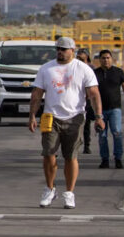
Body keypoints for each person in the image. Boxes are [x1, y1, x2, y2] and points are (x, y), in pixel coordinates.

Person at [29, 37, 103, 210]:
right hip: (50, 117)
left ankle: (69, 193)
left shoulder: (83, 69)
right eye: (58, 49)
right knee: (48, 154)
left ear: (72, 50)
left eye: (63, 49)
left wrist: (98, 116)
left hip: (75, 117)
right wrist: (32, 115)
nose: (60, 52)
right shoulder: (46, 69)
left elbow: (94, 94)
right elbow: (37, 94)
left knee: (71, 157)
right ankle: (50, 189)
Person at [93, 49, 124, 169]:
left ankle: (118, 158)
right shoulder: (95, 73)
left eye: (108, 58)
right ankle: (105, 159)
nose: (106, 60)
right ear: (100, 59)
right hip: (100, 111)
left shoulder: (118, 72)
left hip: (115, 109)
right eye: (103, 58)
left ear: (112, 59)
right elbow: (90, 92)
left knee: (117, 133)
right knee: (102, 135)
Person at [76, 49, 94, 153]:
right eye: (77, 58)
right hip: (76, 99)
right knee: (76, 124)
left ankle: (87, 145)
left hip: (87, 100)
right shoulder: (74, 67)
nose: (79, 60)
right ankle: (76, 145)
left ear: (87, 57)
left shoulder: (91, 68)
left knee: (86, 124)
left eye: (81, 58)